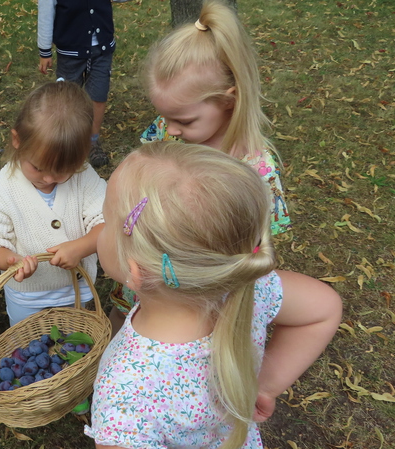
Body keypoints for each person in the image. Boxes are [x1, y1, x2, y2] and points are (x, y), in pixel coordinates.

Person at [86, 141, 341, 448]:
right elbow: (323, 309)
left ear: (136, 272)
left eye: (106, 220)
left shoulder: (125, 399)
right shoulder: (247, 289)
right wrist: (265, 386)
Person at [108, 0, 292, 334]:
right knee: (124, 321)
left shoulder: (255, 169)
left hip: (196, 292)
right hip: (147, 267)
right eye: (164, 117)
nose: (170, 129)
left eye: (184, 120)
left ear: (229, 100)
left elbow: (251, 249)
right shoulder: (169, 131)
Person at [0, 81, 106, 383]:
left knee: (73, 342)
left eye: (62, 171)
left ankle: (71, 384)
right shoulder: (3, 190)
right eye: (38, 168)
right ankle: (38, 390)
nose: (49, 179)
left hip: (77, 289)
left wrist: (82, 246)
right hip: (28, 297)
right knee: (31, 348)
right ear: (17, 140)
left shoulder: (84, 178)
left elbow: (106, 221)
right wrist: (9, 259)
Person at [37, 0, 115, 168]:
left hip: (102, 48)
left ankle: (92, 141)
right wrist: (45, 50)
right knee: (67, 97)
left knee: (98, 95)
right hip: (70, 51)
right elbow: (45, 14)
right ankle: (65, 139)